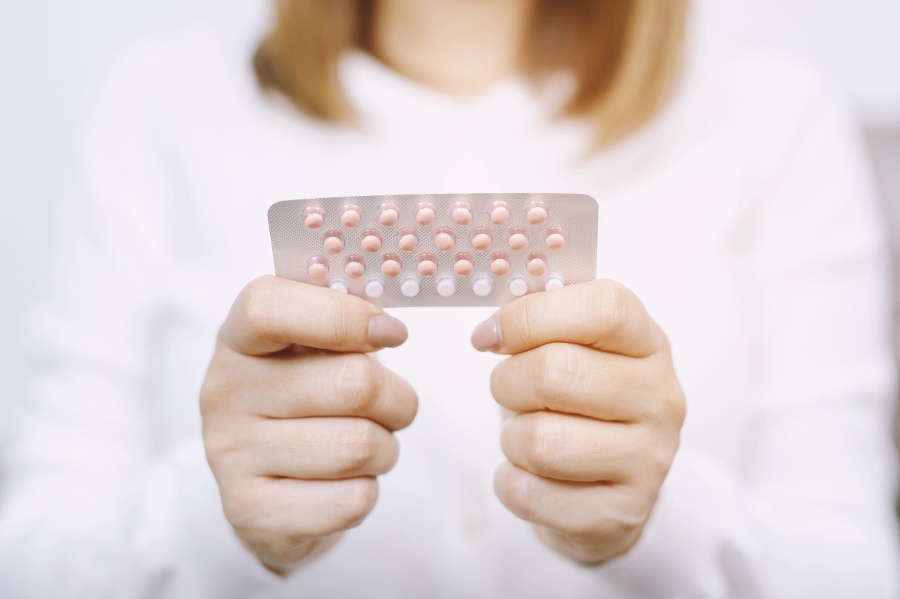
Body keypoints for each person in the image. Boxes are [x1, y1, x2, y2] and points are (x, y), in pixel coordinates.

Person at [1, 0, 898, 597]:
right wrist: (215, 516)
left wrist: (665, 519)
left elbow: (855, 568)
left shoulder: (770, 115)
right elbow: (33, 556)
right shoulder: (159, 105)